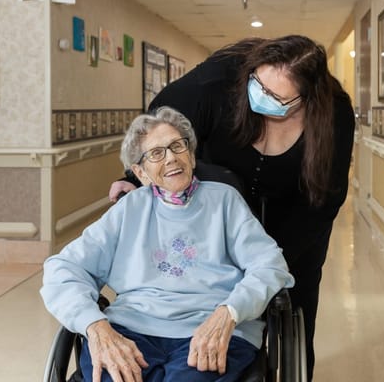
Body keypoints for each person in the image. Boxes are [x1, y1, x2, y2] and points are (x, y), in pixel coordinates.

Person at [109, 35, 355, 381]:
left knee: (293, 301)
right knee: (207, 282)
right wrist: (134, 178)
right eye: (259, 85)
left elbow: (325, 199)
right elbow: (158, 129)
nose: (263, 98)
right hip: (217, 203)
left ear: (305, 100)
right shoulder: (219, 81)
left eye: (277, 97)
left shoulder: (334, 114)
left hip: (297, 212)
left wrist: (267, 268)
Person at [41, 107, 294, 382]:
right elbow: (63, 269)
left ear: (191, 155)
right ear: (141, 172)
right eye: (156, 153)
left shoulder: (225, 201)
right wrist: (95, 326)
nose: (171, 158)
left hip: (211, 328)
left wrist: (230, 312)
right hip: (131, 328)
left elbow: (270, 265)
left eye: (177, 146)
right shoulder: (129, 209)